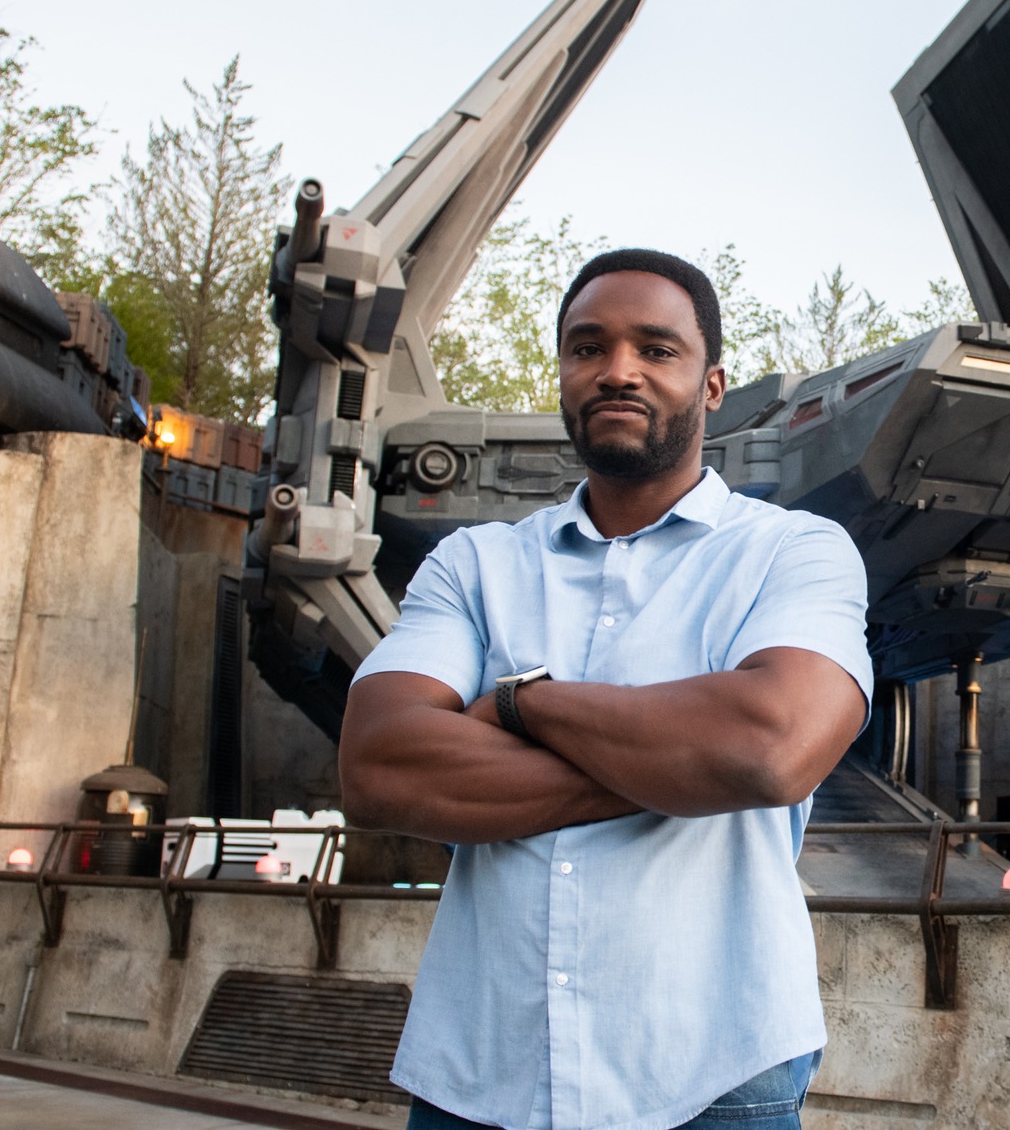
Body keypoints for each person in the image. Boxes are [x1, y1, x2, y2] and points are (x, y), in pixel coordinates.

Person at [340, 248, 871, 1130]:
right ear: (563, 374)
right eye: (588, 347)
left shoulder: (792, 552)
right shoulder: (474, 564)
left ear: (712, 386)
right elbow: (377, 767)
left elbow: (770, 751)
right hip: (482, 1072)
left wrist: (521, 703)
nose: (617, 370)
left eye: (657, 349)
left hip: (712, 1076)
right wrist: (680, 768)